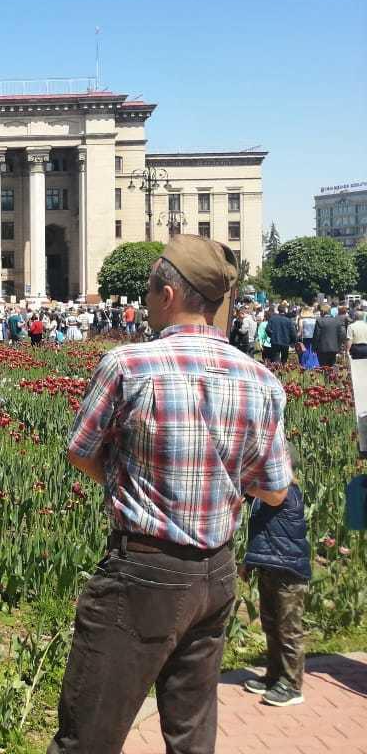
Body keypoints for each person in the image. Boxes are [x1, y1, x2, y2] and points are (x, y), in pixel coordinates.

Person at [50, 235, 291, 754]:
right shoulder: (262, 380)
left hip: (143, 573)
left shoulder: (129, 365)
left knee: (87, 735)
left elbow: (81, 450)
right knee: (190, 734)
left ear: (166, 295)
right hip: (217, 573)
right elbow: (275, 490)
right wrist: (224, 480)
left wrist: (130, 484)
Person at [241, 477, 311, 707]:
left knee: (288, 630)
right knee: (271, 626)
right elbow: (262, 533)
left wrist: (248, 486)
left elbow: (275, 497)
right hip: (269, 567)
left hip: (288, 570)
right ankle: (274, 677)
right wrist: (249, 561)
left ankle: (292, 685)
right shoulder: (265, 495)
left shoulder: (287, 491)